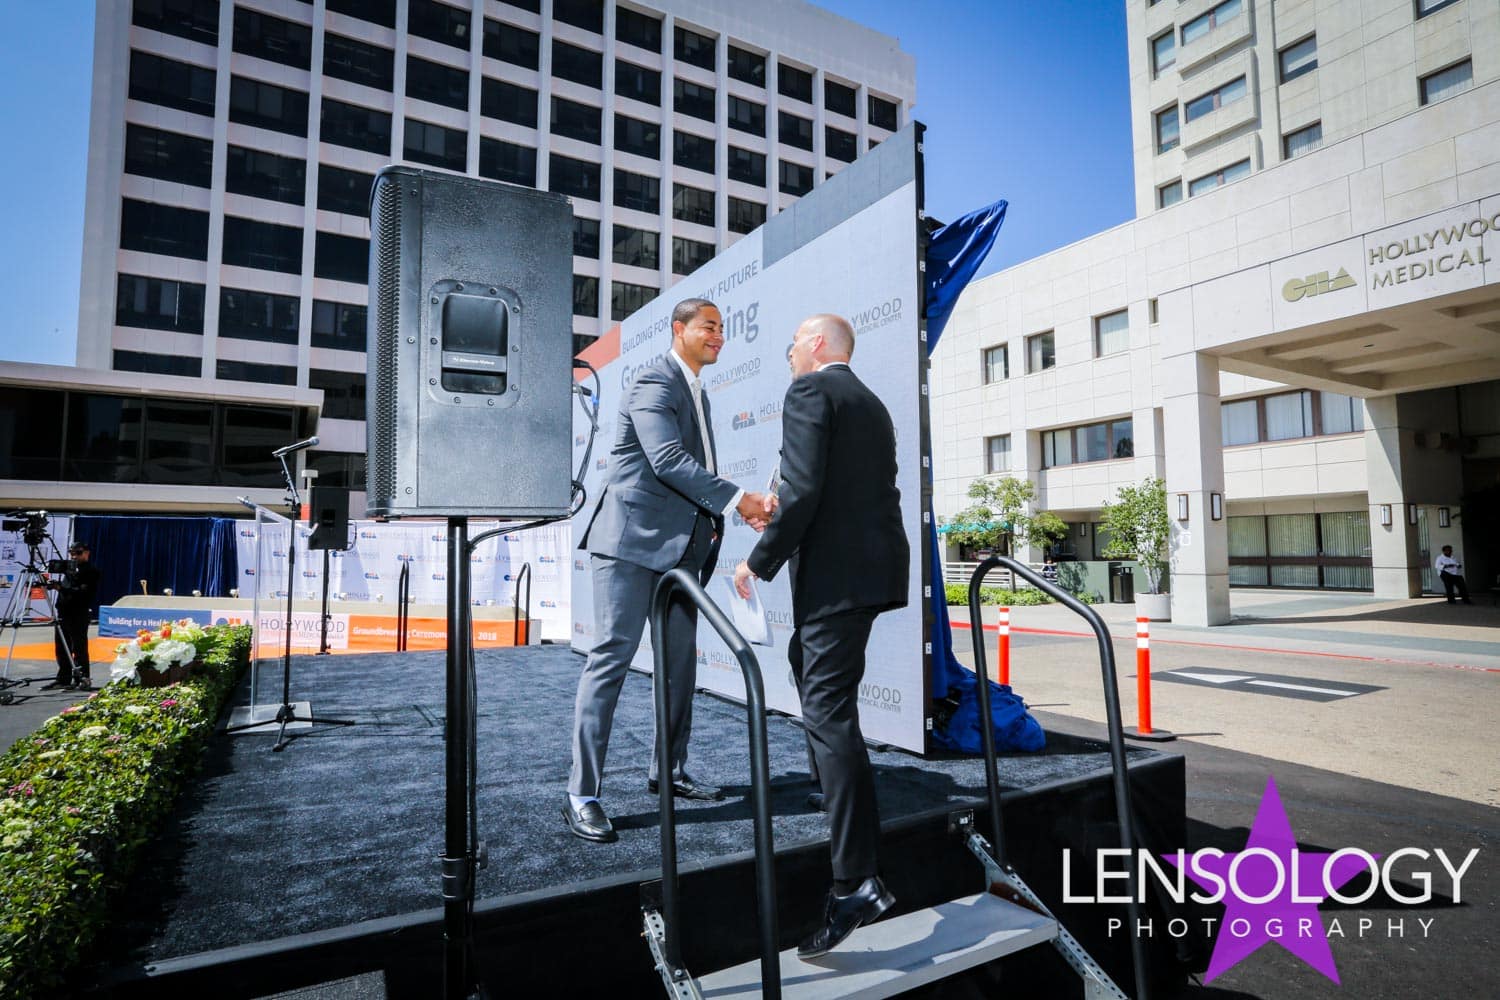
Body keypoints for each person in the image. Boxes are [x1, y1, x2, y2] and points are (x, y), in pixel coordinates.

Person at [565, 298, 776, 844]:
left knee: (679, 667)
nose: (720, 337)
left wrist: (723, 519)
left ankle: (670, 771)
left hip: (683, 553)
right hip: (630, 548)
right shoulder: (653, 382)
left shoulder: (696, 390)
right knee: (610, 660)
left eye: (724, 330)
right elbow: (669, 463)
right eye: (709, 327)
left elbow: (691, 475)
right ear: (678, 329)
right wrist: (740, 502)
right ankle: (583, 793)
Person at [733, 314, 909, 958]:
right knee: (804, 662)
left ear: (814, 345)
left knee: (830, 715)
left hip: (835, 580)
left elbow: (804, 490)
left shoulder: (810, 392)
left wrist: (758, 559)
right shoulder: (871, 401)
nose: (788, 361)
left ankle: (856, 878)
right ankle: (827, 783)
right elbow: (836, 490)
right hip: (871, 571)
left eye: (791, 349)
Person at [44, 542, 101, 690]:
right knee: (62, 647)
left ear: (87, 553)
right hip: (63, 611)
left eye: (78, 552)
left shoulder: (91, 571)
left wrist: (61, 587)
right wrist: (56, 586)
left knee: (79, 647)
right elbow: (66, 588)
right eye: (72, 553)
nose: (74, 556)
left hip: (78, 613)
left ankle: (82, 678)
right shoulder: (69, 569)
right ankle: (63, 679)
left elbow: (82, 593)